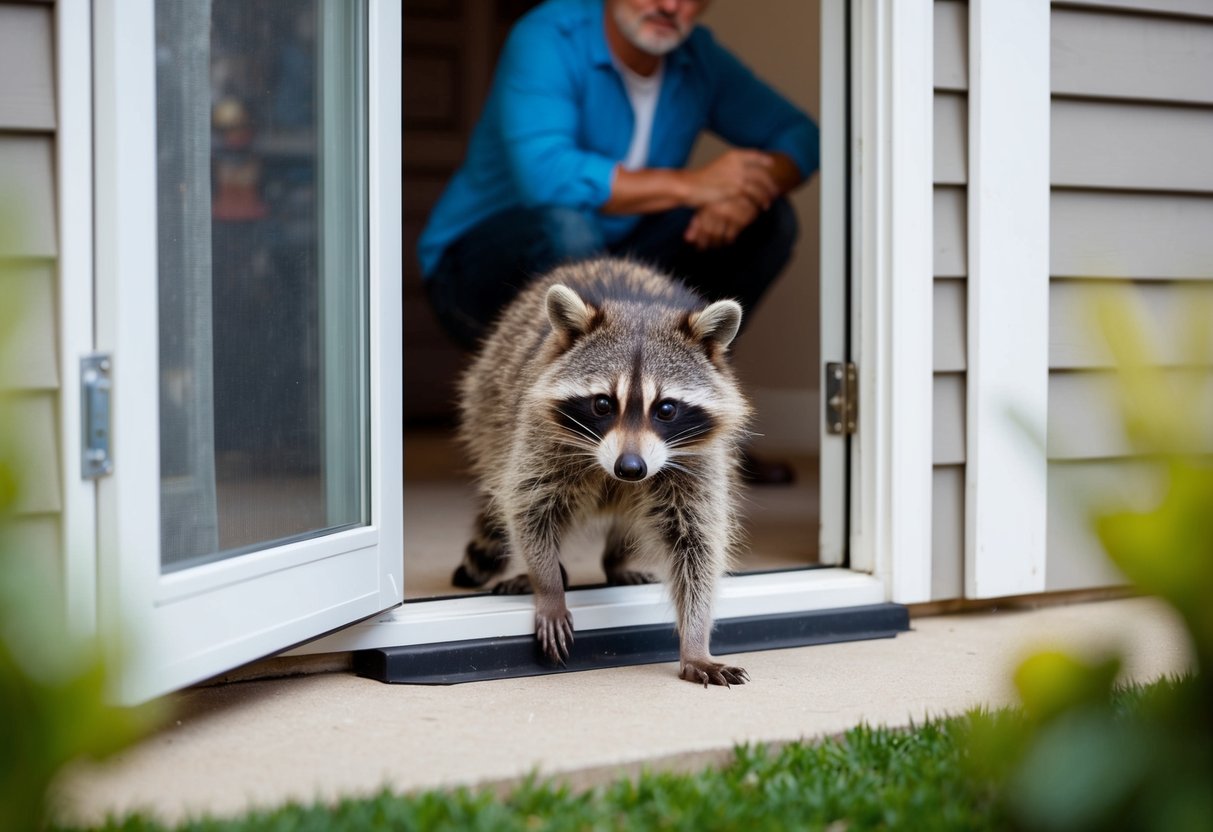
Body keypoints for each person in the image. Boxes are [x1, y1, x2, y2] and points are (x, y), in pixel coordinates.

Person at [418, 0, 819, 482]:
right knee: (570, 224)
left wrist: (746, 195)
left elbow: (801, 136)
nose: (669, 5)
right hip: (476, 275)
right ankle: (562, 442)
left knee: (768, 220)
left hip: (620, 270)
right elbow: (547, 176)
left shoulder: (698, 59)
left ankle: (689, 434)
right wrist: (696, 187)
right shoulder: (549, 36)